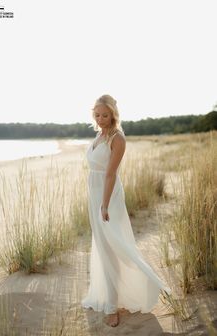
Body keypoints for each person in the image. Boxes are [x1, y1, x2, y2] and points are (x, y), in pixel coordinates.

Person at [81, 94, 171, 327]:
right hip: (95, 194)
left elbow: (110, 174)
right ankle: (108, 297)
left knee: (114, 246)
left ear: (113, 115)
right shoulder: (99, 135)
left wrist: (104, 203)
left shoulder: (117, 138)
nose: (101, 119)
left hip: (108, 197)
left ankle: (114, 306)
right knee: (102, 246)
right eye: (97, 114)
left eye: (105, 115)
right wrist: (95, 200)